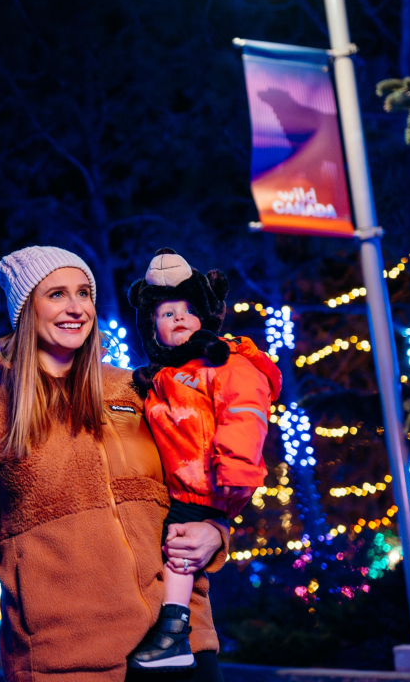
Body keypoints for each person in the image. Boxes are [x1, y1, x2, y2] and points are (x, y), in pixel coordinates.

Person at [0, 246, 233, 682]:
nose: (76, 307)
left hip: (180, 643)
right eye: (57, 294)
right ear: (26, 309)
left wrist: (216, 532)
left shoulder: (139, 388)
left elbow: (204, 471)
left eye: (84, 293)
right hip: (65, 658)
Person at [125, 249, 281, 671]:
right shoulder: (160, 377)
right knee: (175, 545)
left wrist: (234, 469)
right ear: (151, 327)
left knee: (179, 547)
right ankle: (173, 629)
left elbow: (244, 413)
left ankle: (175, 630)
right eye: (165, 313)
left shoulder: (225, 362)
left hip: (207, 480)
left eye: (188, 310)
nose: (177, 318)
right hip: (182, 483)